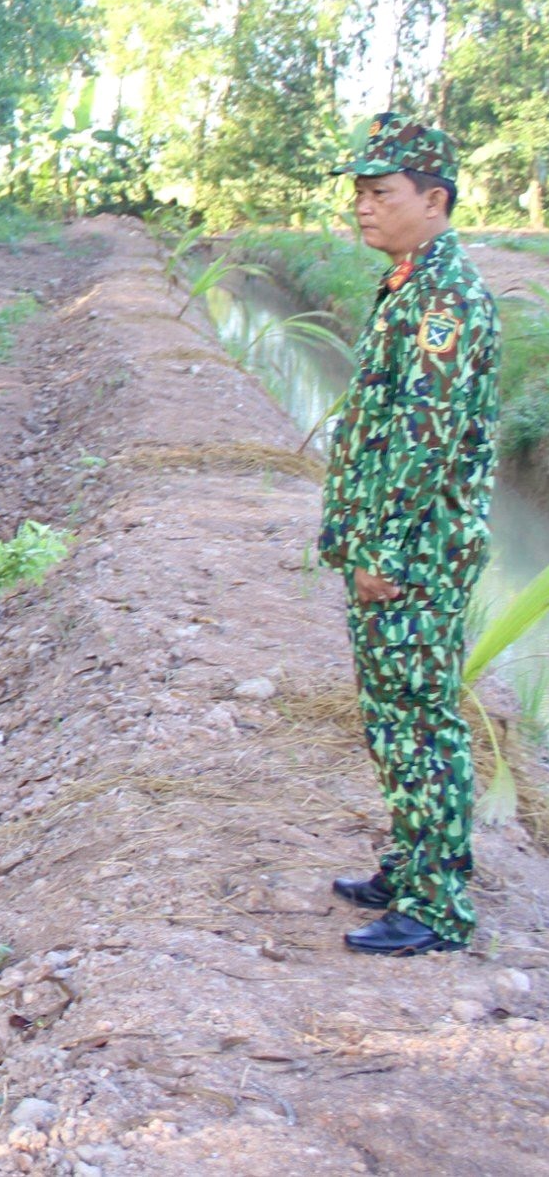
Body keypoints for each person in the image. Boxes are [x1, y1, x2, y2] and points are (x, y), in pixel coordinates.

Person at [318, 112, 501, 956]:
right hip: (393, 547)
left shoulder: (444, 303)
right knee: (390, 716)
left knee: (419, 721)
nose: (362, 206)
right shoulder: (407, 282)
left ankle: (436, 905)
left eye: (379, 192)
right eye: (357, 192)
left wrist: (380, 555)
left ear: (433, 201)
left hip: (414, 555)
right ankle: (413, 861)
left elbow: (423, 441)